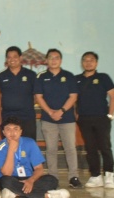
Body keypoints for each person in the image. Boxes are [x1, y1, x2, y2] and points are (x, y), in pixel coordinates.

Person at [34, 49, 81, 189]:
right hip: (48, 120)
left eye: (57, 58)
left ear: (61, 60)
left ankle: (73, 177)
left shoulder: (69, 76)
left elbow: (73, 96)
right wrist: (50, 112)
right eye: (51, 58)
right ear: (46, 60)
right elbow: (38, 97)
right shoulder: (41, 77)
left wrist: (61, 111)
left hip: (67, 119)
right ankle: (53, 177)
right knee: (51, 149)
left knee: (70, 148)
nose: (54, 60)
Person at [0, 117, 68, 198]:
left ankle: (16, 193)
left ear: (20, 131)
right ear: (3, 132)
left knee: (52, 179)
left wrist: (30, 181)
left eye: (16, 129)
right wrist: (11, 149)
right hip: (11, 178)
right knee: (4, 181)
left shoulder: (30, 143)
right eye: (8, 129)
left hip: (28, 177)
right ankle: (46, 195)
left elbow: (39, 169)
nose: (12, 132)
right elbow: (7, 173)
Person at [76, 52, 114, 189]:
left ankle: (109, 175)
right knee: (90, 148)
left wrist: (110, 115)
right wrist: (76, 115)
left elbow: (113, 97)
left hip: (102, 118)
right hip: (84, 119)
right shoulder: (77, 79)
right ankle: (95, 176)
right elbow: (73, 98)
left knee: (105, 147)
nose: (88, 62)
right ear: (82, 63)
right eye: (85, 60)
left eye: (91, 60)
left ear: (96, 63)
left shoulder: (103, 77)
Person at [0, 47, 38, 140]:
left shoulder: (31, 75)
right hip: (8, 116)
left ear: (20, 58)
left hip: (27, 116)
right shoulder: (1, 76)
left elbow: (36, 96)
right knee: (9, 145)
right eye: (9, 57)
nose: (12, 59)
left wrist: (25, 104)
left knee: (28, 145)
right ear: (6, 59)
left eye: (15, 56)